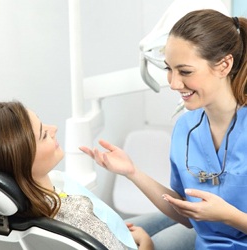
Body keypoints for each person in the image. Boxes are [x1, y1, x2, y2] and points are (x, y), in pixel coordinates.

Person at [80, 9, 247, 249]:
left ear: (224, 65)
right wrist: (132, 172)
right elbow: (188, 217)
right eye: (169, 68)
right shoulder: (185, 129)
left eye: (185, 71)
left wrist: (227, 215)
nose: (173, 83)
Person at [0, 101, 153, 250]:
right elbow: (83, 223)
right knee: (176, 224)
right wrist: (147, 243)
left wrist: (102, 228)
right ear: (24, 160)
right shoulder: (77, 216)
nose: (54, 128)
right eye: (43, 134)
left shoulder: (13, 216)